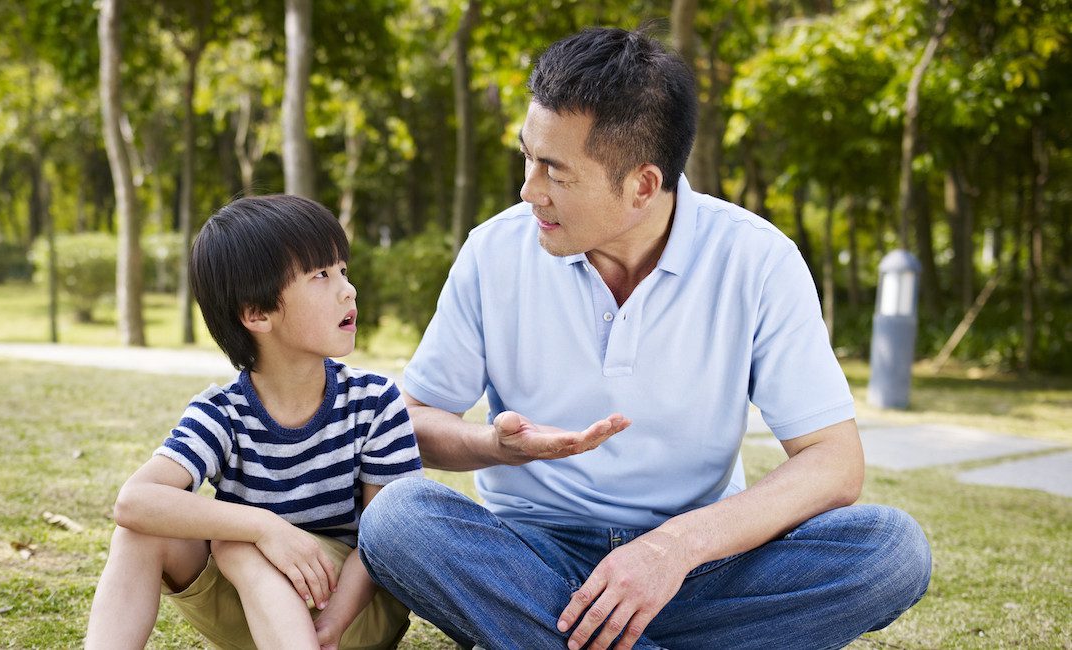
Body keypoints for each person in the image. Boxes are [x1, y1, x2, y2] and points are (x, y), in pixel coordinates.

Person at [356, 27, 932, 650]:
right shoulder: (494, 250)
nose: (529, 190)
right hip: (531, 560)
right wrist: (497, 446)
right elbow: (411, 424)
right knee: (398, 519)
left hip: (698, 566)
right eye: (528, 156)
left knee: (891, 550)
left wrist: (672, 549)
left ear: (642, 186)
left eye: (554, 170)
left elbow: (834, 461)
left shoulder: (758, 259)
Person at [85, 195, 423, 650]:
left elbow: (387, 539)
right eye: (321, 275)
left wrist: (333, 622)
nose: (348, 289)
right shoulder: (221, 411)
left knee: (235, 543)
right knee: (150, 533)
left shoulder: (374, 402)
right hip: (253, 611)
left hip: (353, 613)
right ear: (256, 314)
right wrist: (265, 527)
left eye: (342, 270)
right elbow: (134, 501)